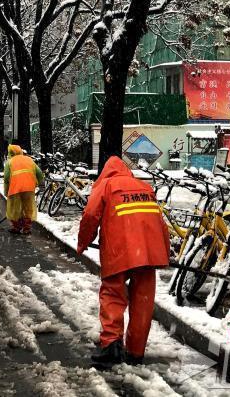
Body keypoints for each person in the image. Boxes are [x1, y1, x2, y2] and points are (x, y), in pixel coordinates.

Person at [77, 156, 170, 367]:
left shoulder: (106, 185)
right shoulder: (144, 187)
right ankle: (136, 352)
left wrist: (83, 242)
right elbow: (160, 222)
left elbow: (91, 215)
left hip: (119, 249)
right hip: (148, 252)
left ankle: (111, 345)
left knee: (112, 294)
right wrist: (164, 252)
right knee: (143, 300)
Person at [3, 144, 43, 235]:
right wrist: (42, 184)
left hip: (15, 188)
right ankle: (26, 228)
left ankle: (17, 227)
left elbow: (6, 178)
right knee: (28, 208)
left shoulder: (9, 162)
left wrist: (6, 191)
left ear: (11, 153)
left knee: (15, 209)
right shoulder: (29, 160)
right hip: (29, 187)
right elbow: (39, 173)